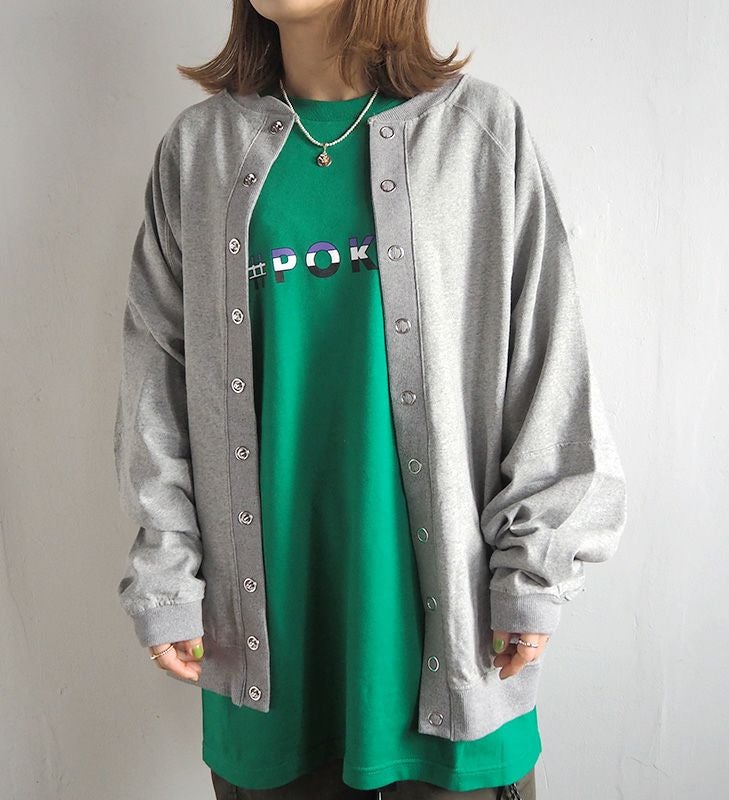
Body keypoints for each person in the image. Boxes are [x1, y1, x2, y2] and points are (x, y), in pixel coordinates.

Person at [112, 1, 628, 799]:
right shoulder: (199, 151)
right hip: (270, 673)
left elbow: (550, 368)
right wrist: (168, 577)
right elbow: (157, 385)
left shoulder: (479, 134)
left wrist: (534, 572)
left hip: (456, 658)